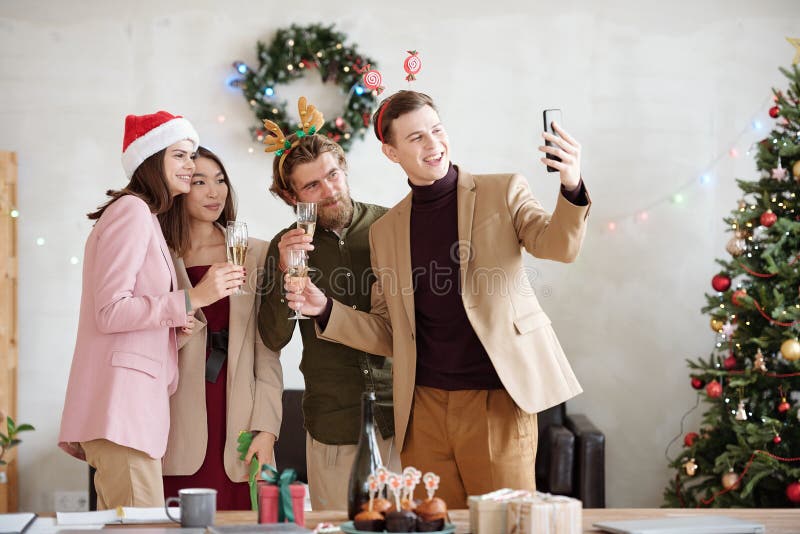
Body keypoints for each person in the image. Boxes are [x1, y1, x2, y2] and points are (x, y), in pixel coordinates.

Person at [285, 90, 590, 508]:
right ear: (391, 152)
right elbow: (388, 331)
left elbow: (559, 246)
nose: (433, 145)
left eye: (437, 130)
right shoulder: (386, 230)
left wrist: (571, 183)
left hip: (496, 400)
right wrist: (324, 309)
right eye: (416, 138)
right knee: (433, 522)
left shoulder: (502, 191)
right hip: (422, 409)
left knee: (504, 523)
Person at [59, 111, 243, 509]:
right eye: (180, 155)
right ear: (151, 159)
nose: (190, 165)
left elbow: (126, 315)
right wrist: (194, 296)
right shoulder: (131, 213)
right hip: (122, 411)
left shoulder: (143, 217)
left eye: (191, 156)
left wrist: (176, 327)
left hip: (130, 415)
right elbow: (109, 310)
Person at [257, 97, 396, 511]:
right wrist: (283, 271)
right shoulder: (285, 247)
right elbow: (273, 336)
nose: (330, 190)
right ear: (290, 195)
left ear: (344, 169)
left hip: (402, 420)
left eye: (333, 175)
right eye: (312, 185)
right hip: (333, 424)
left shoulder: (392, 227)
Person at [159, 146, 283, 510]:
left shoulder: (255, 253)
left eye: (220, 180)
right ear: (179, 186)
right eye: (200, 182)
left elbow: (268, 351)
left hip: (240, 417)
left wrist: (268, 427)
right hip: (175, 419)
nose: (215, 192)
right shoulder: (161, 255)